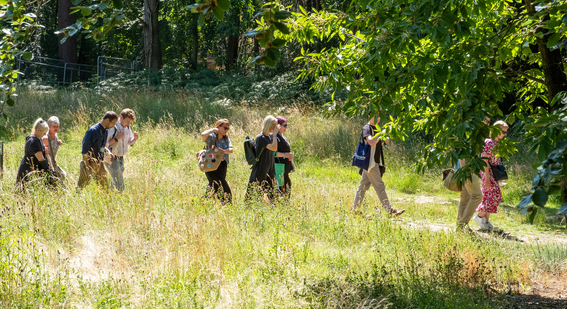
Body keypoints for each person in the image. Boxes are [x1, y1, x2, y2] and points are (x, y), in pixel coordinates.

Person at [352, 113, 404, 216]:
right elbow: (371, 141)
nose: (378, 119)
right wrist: (381, 134)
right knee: (379, 186)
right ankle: (389, 210)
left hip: (371, 162)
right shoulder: (367, 128)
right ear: (369, 116)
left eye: (379, 116)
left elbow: (376, 143)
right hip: (370, 163)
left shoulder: (376, 128)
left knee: (362, 186)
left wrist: (384, 140)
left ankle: (355, 209)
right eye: (375, 116)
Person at [455, 116, 490, 233]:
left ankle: (459, 227)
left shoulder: (476, 133)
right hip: (466, 169)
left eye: (489, 121)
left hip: (467, 168)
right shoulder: (469, 132)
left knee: (465, 197)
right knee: (477, 196)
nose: (487, 123)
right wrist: (464, 171)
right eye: (486, 120)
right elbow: (461, 152)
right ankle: (462, 225)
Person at [473, 120, 509, 231]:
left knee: (492, 196)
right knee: (493, 197)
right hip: (488, 172)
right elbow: (484, 160)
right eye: (503, 132)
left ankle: (486, 222)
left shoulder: (496, 142)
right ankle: (479, 217)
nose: (505, 134)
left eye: (506, 132)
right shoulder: (489, 142)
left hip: (493, 173)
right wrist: (487, 177)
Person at [77, 111, 118, 189]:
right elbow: (85, 151)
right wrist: (87, 167)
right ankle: (75, 198)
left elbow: (102, 145)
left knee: (105, 187)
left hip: (100, 163)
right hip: (89, 162)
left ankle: (106, 200)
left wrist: (108, 152)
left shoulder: (105, 131)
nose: (113, 126)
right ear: (107, 120)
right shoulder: (92, 131)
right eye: (113, 123)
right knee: (81, 186)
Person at [247, 115, 280, 201]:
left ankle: (276, 209)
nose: (276, 127)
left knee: (274, 192)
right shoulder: (261, 138)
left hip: (270, 168)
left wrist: (274, 135)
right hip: (261, 168)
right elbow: (274, 148)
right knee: (255, 193)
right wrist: (275, 135)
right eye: (274, 125)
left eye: (277, 125)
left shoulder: (269, 136)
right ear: (269, 125)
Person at [105, 109, 139, 193]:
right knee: (119, 183)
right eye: (127, 121)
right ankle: (119, 200)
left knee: (116, 179)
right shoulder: (112, 127)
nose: (128, 124)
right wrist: (117, 138)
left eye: (130, 122)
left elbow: (129, 142)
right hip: (111, 158)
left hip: (121, 157)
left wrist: (134, 139)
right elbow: (104, 144)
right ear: (121, 117)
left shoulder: (127, 127)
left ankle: (111, 198)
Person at [201, 119, 233, 203]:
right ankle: (227, 202)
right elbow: (203, 135)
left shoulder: (226, 138)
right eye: (225, 128)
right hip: (211, 165)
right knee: (223, 187)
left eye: (228, 128)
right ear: (218, 127)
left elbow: (231, 150)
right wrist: (212, 130)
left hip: (222, 164)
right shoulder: (211, 137)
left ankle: (205, 201)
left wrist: (220, 150)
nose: (226, 130)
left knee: (213, 185)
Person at [16, 118, 53, 188]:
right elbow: (41, 159)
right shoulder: (34, 141)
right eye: (43, 132)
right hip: (29, 170)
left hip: (29, 168)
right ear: (38, 130)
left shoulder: (35, 138)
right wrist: (49, 170)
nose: (45, 135)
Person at [42, 116, 67, 183]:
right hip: (47, 164)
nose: (56, 128)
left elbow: (53, 144)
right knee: (55, 179)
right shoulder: (45, 137)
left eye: (57, 126)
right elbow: (41, 151)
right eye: (54, 126)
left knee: (62, 175)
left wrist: (58, 141)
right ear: (49, 127)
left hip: (53, 162)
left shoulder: (55, 135)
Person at [274, 116, 294, 196]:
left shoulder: (282, 135)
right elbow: (273, 153)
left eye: (287, 125)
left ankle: (286, 204)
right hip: (279, 166)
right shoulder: (275, 137)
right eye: (284, 125)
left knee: (287, 185)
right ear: (278, 126)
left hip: (285, 166)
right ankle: (280, 204)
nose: (286, 127)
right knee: (282, 186)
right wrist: (285, 155)